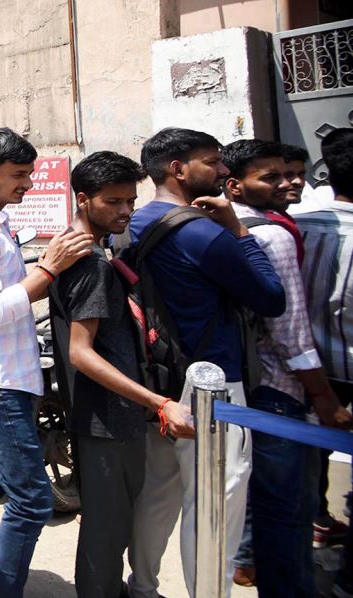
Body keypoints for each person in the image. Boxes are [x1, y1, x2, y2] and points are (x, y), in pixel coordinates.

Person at [124, 128, 286, 598]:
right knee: (216, 501)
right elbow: (271, 297)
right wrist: (237, 228)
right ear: (178, 169)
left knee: (160, 493)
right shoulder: (202, 232)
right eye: (212, 162)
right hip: (215, 387)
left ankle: (144, 586)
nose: (223, 171)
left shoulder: (134, 223)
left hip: (160, 382)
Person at [0, 128, 92, 597]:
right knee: (31, 499)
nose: (27, 183)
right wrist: (48, 269)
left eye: (29, 174)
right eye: (18, 175)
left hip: (0, 374)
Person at [49, 151, 195, 598]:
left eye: (130, 200)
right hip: (107, 418)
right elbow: (81, 353)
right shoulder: (90, 264)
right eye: (113, 201)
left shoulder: (86, 248)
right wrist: (158, 402)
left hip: (111, 415)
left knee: (111, 522)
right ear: (83, 198)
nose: (125, 210)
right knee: (106, 529)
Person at [221, 139, 351, 597]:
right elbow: (290, 331)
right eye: (271, 177)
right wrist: (325, 398)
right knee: (287, 509)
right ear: (235, 185)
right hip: (280, 388)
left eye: (291, 173)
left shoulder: (247, 225)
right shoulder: (272, 235)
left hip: (254, 384)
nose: (289, 181)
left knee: (272, 499)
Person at [304, 127, 353, 598]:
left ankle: (316, 520)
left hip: (302, 363)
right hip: (340, 370)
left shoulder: (295, 221)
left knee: (306, 461)